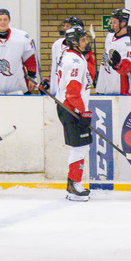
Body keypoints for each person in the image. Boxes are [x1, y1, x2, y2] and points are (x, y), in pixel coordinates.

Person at [55, 26, 94, 202]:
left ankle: (74, 184)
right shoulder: (75, 61)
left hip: (71, 107)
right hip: (71, 108)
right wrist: (82, 112)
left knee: (81, 146)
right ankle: (73, 186)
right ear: (73, 42)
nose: (86, 42)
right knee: (79, 147)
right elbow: (72, 91)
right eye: (83, 39)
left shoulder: (73, 56)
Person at [97, 8, 131, 96]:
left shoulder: (127, 43)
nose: (112, 24)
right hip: (108, 89)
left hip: (123, 92)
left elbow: (127, 66)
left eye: (114, 22)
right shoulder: (109, 36)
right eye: (112, 22)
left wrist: (119, 64)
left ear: (123, 23)